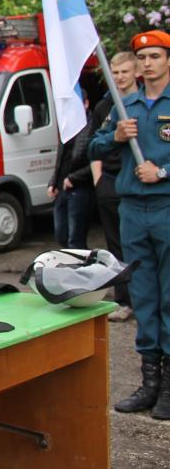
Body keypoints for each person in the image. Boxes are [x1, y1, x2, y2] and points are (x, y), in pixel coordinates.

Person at [88, 30, 170, 420]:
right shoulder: (125, 106)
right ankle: (149, 382)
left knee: (169, 297)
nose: (149, 63)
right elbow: (93, 146)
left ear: (167, 60)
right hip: (133, 210)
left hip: (167, 207)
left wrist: (164, 171)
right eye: (144, 57)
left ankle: (168, 386)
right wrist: (117, 136)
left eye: (156, 55)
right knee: (143, 297)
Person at [91, 51, 138, 322]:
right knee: (116, 247)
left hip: (138, 183)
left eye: (124, 72)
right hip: (110, 183)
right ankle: (124, 301)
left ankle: (146, 300)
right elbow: (93, 146)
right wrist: (98, 181)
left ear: (136, 73)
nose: (119, 77)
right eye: (115, 72)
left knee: (142, 246)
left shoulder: (147, 103)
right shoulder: (104, 107)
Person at [48, 98, 94, 249]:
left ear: (86, 103)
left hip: (80, 188)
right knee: (61, 234)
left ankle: (79, 270)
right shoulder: (66, 125)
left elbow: (95, 162)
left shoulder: (92, 126)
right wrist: (53, 182)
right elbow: (60, 158)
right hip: (62, 188)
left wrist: (74, 178)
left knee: (76, 239)